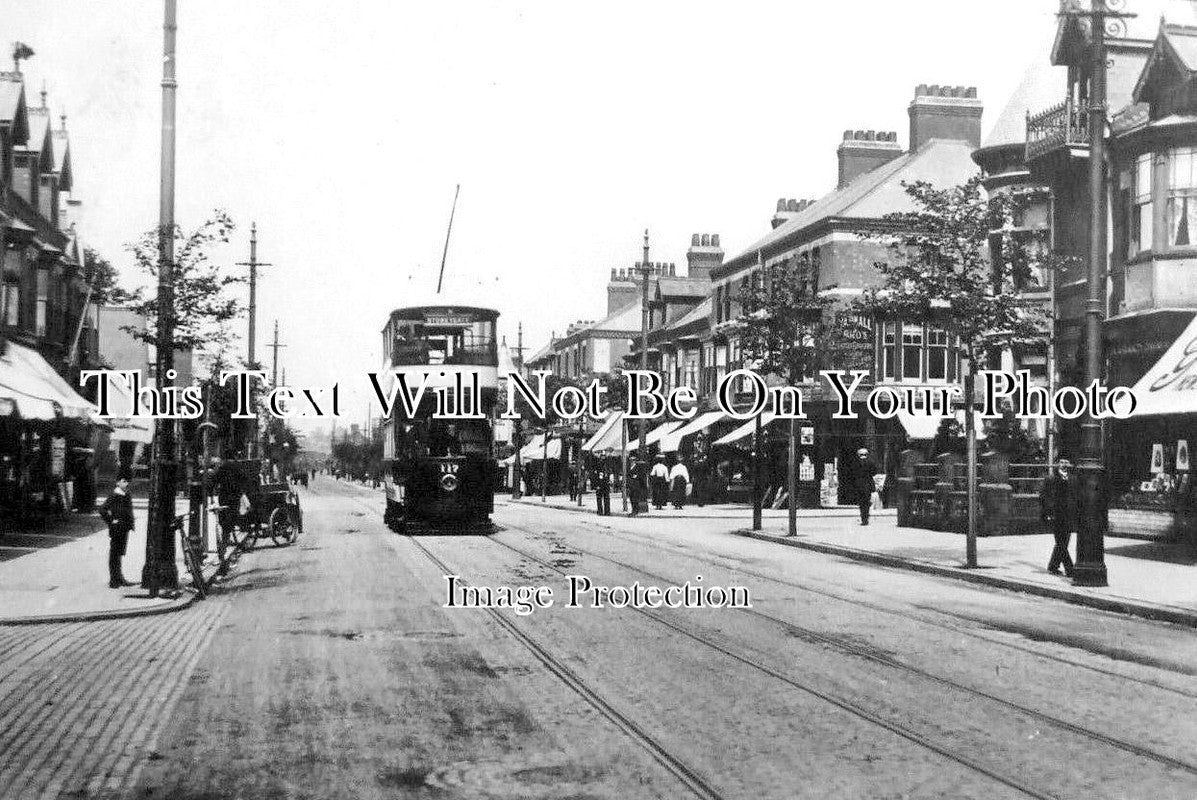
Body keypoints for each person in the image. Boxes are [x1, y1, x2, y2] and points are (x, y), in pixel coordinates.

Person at [1039, 459, 1078, 577]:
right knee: (1061, 542)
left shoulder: (1074, 479)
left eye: (1066, 462)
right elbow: (1043, 496)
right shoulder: (1050, 479)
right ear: (1057, 464)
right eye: (1061, 462)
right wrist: (1048, 512)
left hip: (1069, 515)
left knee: (1063, 542)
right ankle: (1070, 569)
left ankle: (1053, 566)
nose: (1064, 464)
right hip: (1056, 514)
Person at [97, 471, 135, 588]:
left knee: (119, 552)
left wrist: (130, 523)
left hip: (124, 527)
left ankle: (119, 577)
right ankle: (114, 579)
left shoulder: (126, 494)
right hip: (117, 527)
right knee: (114, 553)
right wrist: (111, 521)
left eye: (126, 481)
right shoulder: (115, 495)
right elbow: (102, 509)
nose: (125, 483)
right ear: (118, 482)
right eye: (123, 481)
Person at [853, 448, 881, 525]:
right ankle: (866, 518)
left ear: (859, 455)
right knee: (867, 502)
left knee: (861, 503)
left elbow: (853, 473)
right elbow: (874, 472)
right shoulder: (870, 462)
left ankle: (863, 518)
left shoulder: (856, 463)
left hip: (859, 485)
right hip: (868, 485)